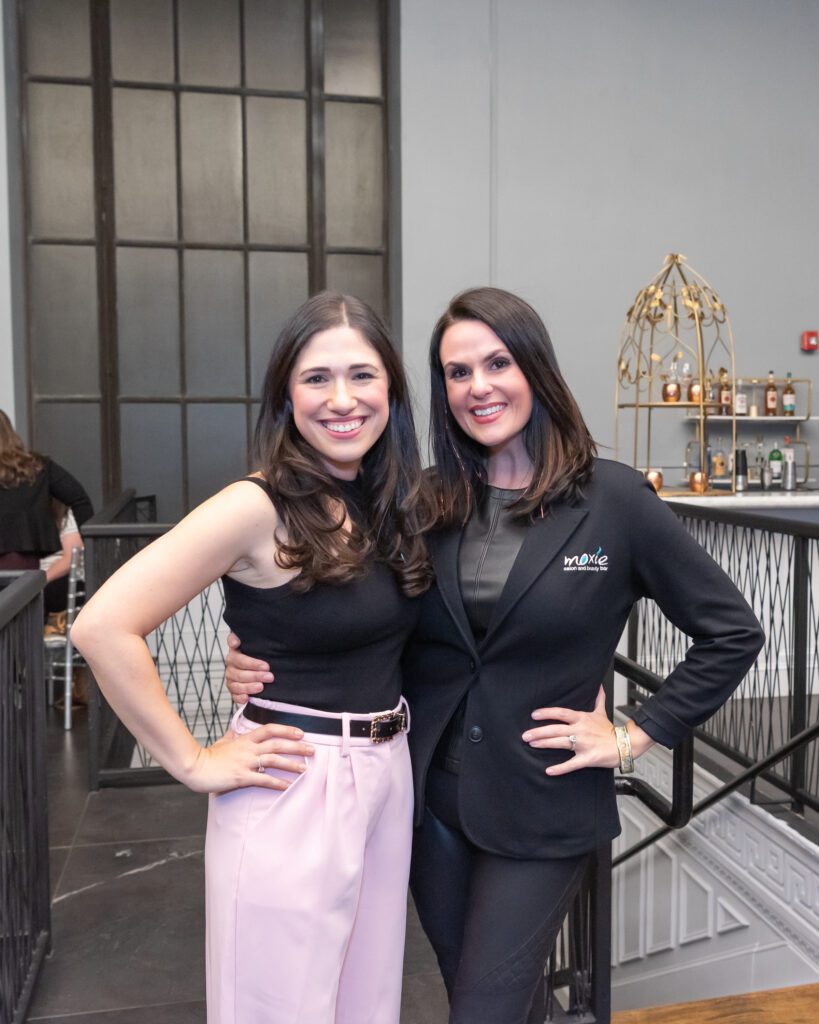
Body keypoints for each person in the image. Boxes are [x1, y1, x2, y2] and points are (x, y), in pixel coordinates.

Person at [224, 286, 765, 1024]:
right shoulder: (422, 504)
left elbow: (731, 631)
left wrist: (634, 735)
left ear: (533, 369)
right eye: (455, 372)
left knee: (482, 1010)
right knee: (497, 1001)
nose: (477, 386)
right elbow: (352, 616)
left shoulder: (615, 501)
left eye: (497, 362)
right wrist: (251, 652)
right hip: (426, 807)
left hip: (543, 805)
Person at [72, 292, 434, 1024]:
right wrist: (193, 762)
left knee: (366, 1005)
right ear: (285, 396)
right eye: (316, 378)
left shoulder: (385, 499)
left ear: (391, 390)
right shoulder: (256, 505)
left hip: (385, 773)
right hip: (292, 778)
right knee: (279, 1009)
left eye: (362, 376)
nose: (342, 399)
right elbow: (103, 626)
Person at [0, 409, 93, 571]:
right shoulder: (36, 466)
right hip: (22, 559)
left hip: (17, 559)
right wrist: (89, 540)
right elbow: (79, 499)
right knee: (22, 595)